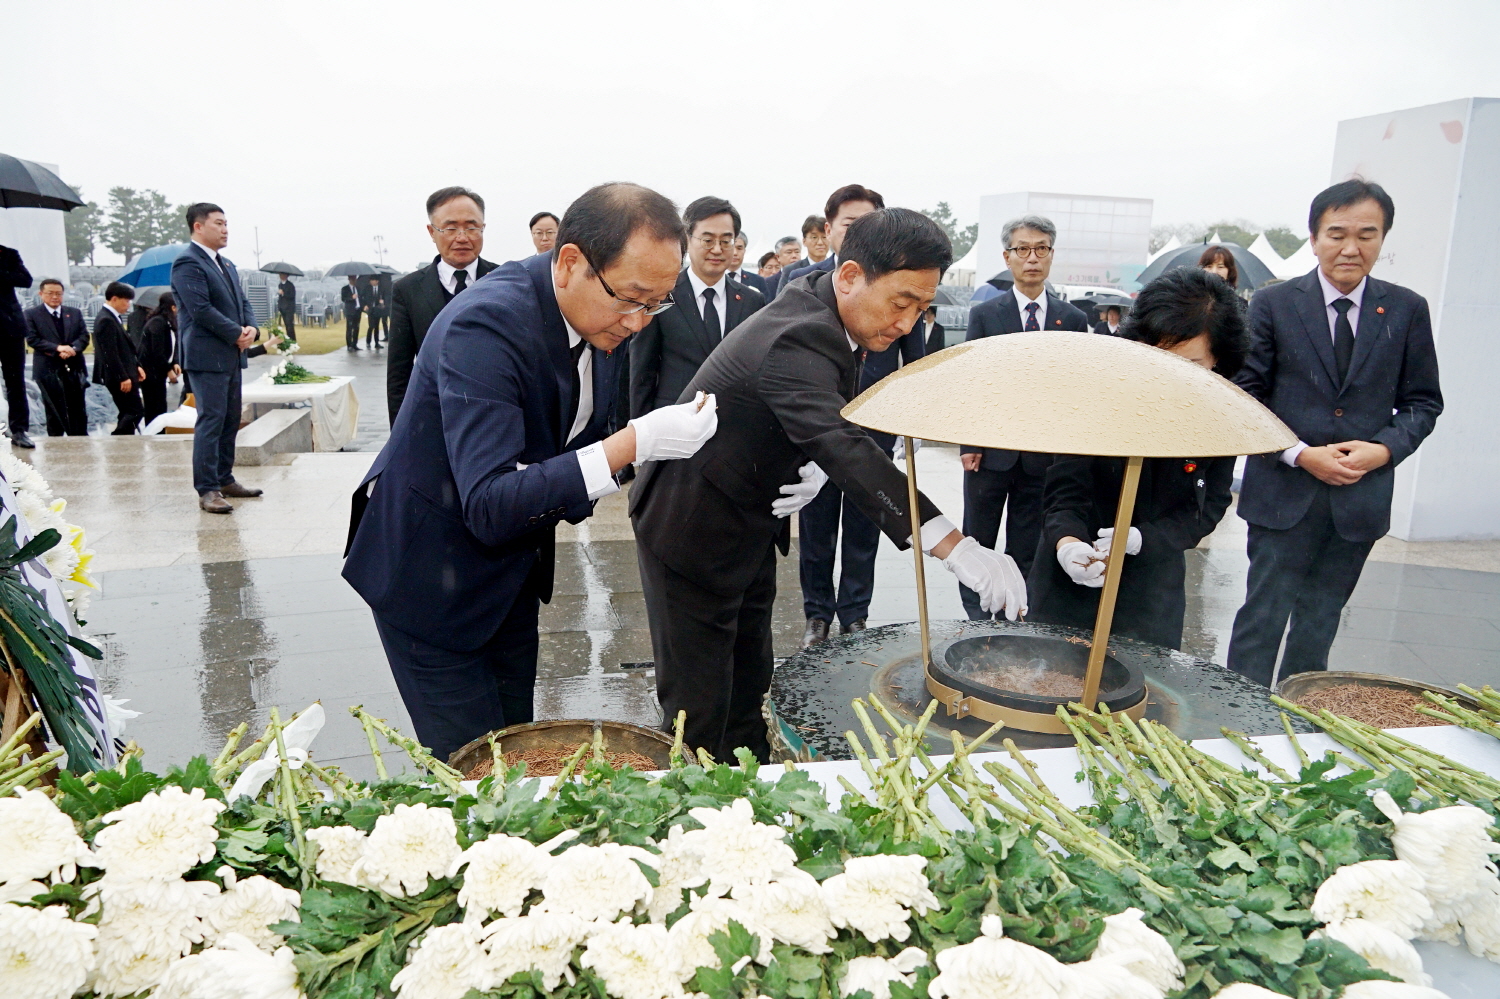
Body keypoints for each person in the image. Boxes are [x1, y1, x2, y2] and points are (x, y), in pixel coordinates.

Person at [630, 208, 1027, 763]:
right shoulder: (799, 334)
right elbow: (845, 445)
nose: (908, 324)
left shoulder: (823, 310)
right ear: (848, 277)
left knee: (748, 683)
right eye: (900, 303)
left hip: (747, 517)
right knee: (697, 708)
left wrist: (804, 457)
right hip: (692, 529)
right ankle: (694, 820)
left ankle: (751, 790)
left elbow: (819, 420)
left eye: (922, 308)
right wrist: (953, 546)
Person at [343, 182, 720, 763]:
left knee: (515, 750)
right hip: (428, 577)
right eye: (633, 298)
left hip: (510, 573)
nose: (641, 321)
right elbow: (492, 502)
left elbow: (579, 446)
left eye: (657, 303)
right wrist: (631, 446)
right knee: (470, 771)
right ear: (570, 263)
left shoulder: (602, 318)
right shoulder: (486, 325)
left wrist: (624, 449)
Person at [1227, 179, 1442, 688]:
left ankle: (1297, 727)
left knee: (1319, 624)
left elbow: (1423, 402)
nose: (1351, 248)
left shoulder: (1407, 309)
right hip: (1284, 495)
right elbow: (1245, 397)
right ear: (1314, 236)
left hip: (1357, 500)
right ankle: (1232, 723)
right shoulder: (1274, 303)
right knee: (1261, 619)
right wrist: (1300, 454)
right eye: (1337, 234)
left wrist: (1383, 449)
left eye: (1367, 235)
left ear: (1383, 238)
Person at [1028, 268, 1244, 649]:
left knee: (1143, 696)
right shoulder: (1098, 396)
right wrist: (1068, 543)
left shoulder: (1221, 417)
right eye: (1157, 359)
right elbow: (1064, 489)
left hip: (1151, 590)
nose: (1169, 377)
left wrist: (1144, 538)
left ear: (1218, 360)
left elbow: (1207, 508)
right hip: (1073, 578)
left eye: (1190, 365)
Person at [958, 214, 1090, 618]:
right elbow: (973, 380)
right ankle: (976, 620)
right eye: (1022, 249)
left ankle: (1017, 618)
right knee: (976, 542)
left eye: (1041, 248)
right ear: (1007, 257)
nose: (1032, 257)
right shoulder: (985, 315)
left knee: (1028, 542)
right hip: (990, 452)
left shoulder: (1074, 319)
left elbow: (1076, 390)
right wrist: (970, 444)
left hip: (1043, 455)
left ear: (1051, 255)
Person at [797, 291, 924, 646]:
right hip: (820, 425)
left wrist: (907, 422)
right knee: (816, 528)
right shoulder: (811, 287)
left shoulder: (896, 289)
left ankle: (854, 613)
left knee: (864, 529)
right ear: (828, 231)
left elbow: (914, 365)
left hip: (874, 427)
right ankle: (817, 614)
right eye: (844, 227)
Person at [629, 196, 764, 418]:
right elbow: (641, 373)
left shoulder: (752, 302)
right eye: (708, 240)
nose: (717, 249)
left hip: (732, 425)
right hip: (673, 422)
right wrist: (639, 432)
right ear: (687, 239)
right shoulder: (660, 296)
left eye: (726, 240)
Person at [171, 202, 263, 514]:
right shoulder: (188, 263)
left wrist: (250, 328)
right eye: (218, 223)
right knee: (211, 420)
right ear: (198, 226)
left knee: (228, 420)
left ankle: (225, 479)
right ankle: (207, 489)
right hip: (206, 355)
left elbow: (242, 302)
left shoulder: (226, 264)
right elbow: (200, 310)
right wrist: (235, 332)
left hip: (231, 354)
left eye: (226, 224)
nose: (225, 230)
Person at [388, 186, 499, 424]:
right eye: (450, 228)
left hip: (495, 415)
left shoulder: (506, 281)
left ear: (483, 228)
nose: (462, 237)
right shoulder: (407, 290)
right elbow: (399, 372)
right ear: (431, 231)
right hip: (433, 416)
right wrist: (399, 434)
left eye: (471, 227)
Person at [776, 184, 886, 295]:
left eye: (867, 224)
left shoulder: (890, 274)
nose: (859, 231)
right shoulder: (803, 279)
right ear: (828, 231)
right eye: (848, 224)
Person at [22, 278, 89, 437]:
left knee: (78, 408)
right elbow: (32, 339)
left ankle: (80, 442)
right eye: (50, 293)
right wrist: (58, 348)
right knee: (54, 411)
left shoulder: (74, 312)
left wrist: (73, 349)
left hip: (73, 367)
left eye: (58, 294)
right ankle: (55, 443)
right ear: (41, 294)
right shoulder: (31, 314)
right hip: (48, 369)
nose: (54, 297)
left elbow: (84, 336)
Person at [92, 282, 145, 435]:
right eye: (126, 301)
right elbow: (110, 353)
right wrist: (122, 377)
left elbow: (124, 349)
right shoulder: (106, 320)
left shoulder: (113, 318)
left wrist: (136, 366)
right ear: (114, 299)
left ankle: (124, 439)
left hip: (126, 372)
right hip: (119, 377)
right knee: (135, 411)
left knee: (128, 411)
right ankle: (119, 438)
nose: (128, 305)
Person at [0, 244, 34, 447]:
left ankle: (19, 430)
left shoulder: (8, 254)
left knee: (15, 382)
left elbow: (25, 280)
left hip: (10, 326)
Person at [140, 290, 181, 425]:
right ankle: (153, 434)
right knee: (154, 407)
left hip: (159, 371)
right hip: (151, 371)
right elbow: (157, 352)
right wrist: (168, 370)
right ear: (172, 307)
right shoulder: (157, 323)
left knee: (161, 405)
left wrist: (175, 362)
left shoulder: (168, 323)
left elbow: (172, 346)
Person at [362, 276, 384, 350]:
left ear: (377, 281)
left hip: (378, 310)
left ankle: (376, 342)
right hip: (371, 309)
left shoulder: (381, 289)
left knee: (377, 326)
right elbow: (363, 297)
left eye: (373, 280)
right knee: (371, 326)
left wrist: (382, 302)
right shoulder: (367, 288)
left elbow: (385, 297)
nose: (371, 281)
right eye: (371, 280)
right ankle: (368, 342)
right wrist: (365, 305)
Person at [341, 276, 363, 350]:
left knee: (356, 328)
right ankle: (349, 345)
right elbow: (343, 299)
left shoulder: (358, 288)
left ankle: (354, 344)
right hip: (350, 311)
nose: (354, 281)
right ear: (349, 279)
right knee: (349, 328)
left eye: (355, 279)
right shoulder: (345, 289)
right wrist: (351, 297)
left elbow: (361, 298)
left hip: (357, 310)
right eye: (353, 279)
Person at [277, 273, 297, 341]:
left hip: (289, 308)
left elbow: (292, 296)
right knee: (286, 325)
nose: (281, 276)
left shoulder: (290, 285)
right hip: (282, 307)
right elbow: (280, 297)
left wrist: (283, 293)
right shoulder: (280, 285)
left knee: (290, 325)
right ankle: (288, 339)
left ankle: (292, 340)